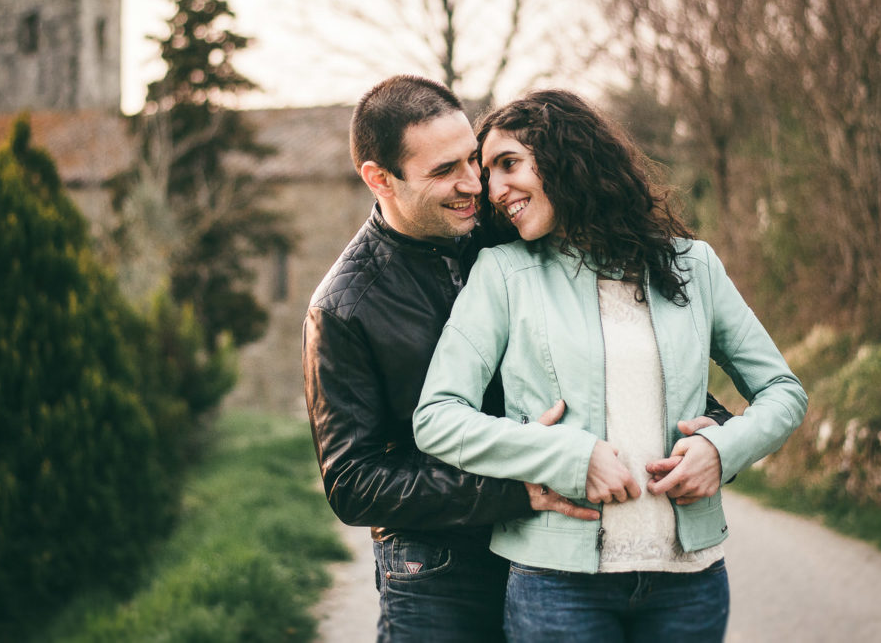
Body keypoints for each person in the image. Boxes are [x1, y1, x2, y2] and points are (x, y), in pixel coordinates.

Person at [303, 76, 731, 642]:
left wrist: (711, 425)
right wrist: (512, 491)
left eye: (470, 161)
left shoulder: (513, 230)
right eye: (442, 172)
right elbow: (355, 483)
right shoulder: (344, 308)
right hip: (440, 569)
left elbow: (604, 350)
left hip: (554, 550)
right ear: (379, 179)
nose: (471, 186)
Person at [413, 89, 807, 642]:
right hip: (558, 586)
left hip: (689, 583)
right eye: (487, 170)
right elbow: (437, 417)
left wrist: (722, 450)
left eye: (509, 163)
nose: (493, 189)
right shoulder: (503, 273)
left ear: (568, 158)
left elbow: (784, 391)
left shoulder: (694, 266)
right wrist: (568, 454)